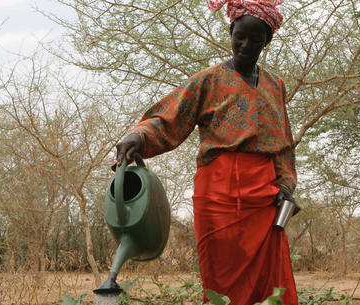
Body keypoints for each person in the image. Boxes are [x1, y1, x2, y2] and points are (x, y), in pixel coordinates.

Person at [113, 0, 298, 304]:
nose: (245, 44)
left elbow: (284, 145)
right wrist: (138, 136)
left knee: (269, 282)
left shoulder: (274, 85)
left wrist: (287, 185)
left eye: (255, 39)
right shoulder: (208, 81)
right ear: (231, 31)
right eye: (240, 36)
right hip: (218, 198)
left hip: (264, 200)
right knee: (221, 283)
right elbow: (168, 119)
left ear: (268, 41)